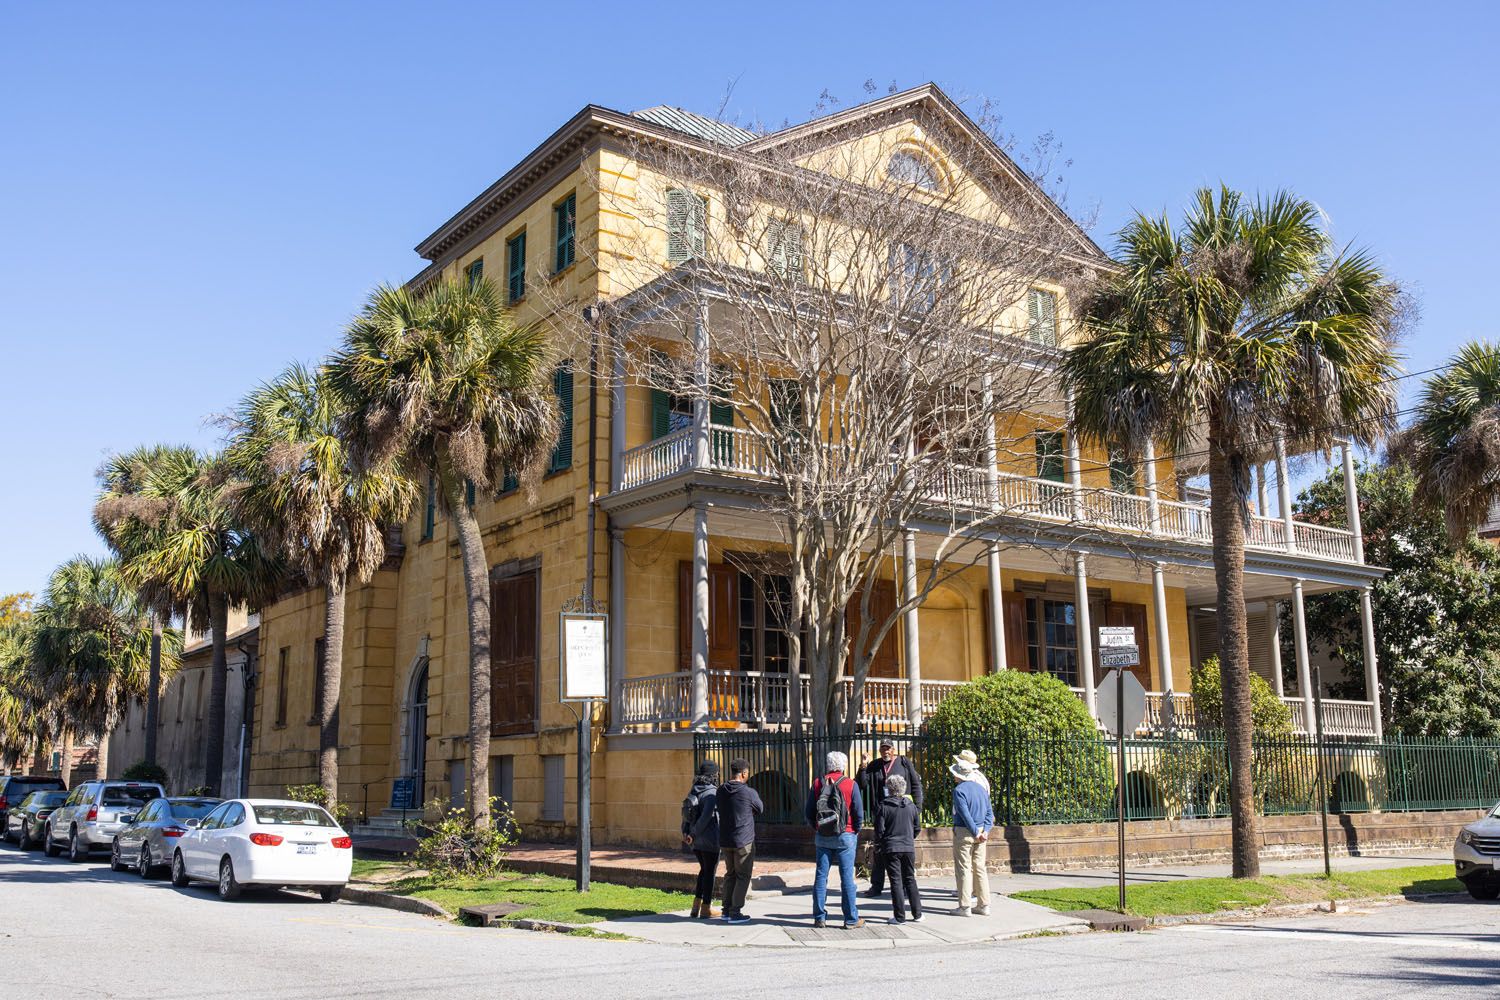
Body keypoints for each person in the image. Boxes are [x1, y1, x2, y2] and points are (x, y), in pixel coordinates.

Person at [804, 750, 864, 929]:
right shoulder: (850, 784)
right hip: (845, 834)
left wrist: (818, 828)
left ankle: (819, 917)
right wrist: (854, 830)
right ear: (843, 766)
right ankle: (851, 918)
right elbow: (858, 813)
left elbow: (808, 812)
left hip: (823, 835)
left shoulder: (817, 783)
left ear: (828, 765)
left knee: (821, 876)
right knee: (847, 877)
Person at [858, 738, 924, 897]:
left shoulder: (904, 762)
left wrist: (917, 808)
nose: (885, 751)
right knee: (879, 850)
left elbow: (915, 784)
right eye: (882, 749)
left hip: (902, 811)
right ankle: (876, 886)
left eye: (888, 748)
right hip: (883, 813)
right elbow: (862, 785)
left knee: (902, 850)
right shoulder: (874, 765)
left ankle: (906, 887)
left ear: (893, 749)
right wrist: (863, 766)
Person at [716, 757, 763, 924]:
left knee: (730, 874)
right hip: (744, 840)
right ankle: (735, 912)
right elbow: (760, 808)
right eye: (747, 773)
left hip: (725, 839)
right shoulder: (748, 792)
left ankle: (726, 910)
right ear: (743, 773)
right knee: (743, 875)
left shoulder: (721, 790)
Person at [873, 772, 922, 924]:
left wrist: (881, 843)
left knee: (896, 881)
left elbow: (879, 830)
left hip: (891, 847)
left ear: (889, 788)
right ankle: (918, 914)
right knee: (910, 879)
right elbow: (917, 828)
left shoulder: (884, 806)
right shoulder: (911, 806)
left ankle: (900, 916)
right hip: (908, 847)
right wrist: (908, 838)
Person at [951, 751, 994, 916]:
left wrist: (976, 832)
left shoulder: (959, 790)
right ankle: (984, 904)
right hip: (982, 831)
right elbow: (989, 813)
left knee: (964, 868)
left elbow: (964, 814)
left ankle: (965, 906)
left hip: (965, 832)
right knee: (980, 868)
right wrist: (985, 831)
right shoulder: (981, 788)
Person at [681, 760, 720, 919]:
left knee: (704, 870)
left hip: (695, 841)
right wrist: (693, 834)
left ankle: (695, 906)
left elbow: (686, 814)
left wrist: (686, 833)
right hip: (709, 839)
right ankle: (706, 907)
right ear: (713, 775)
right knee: (710, 872)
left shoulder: (694, 789)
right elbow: (705, 818)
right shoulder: (712, 793)